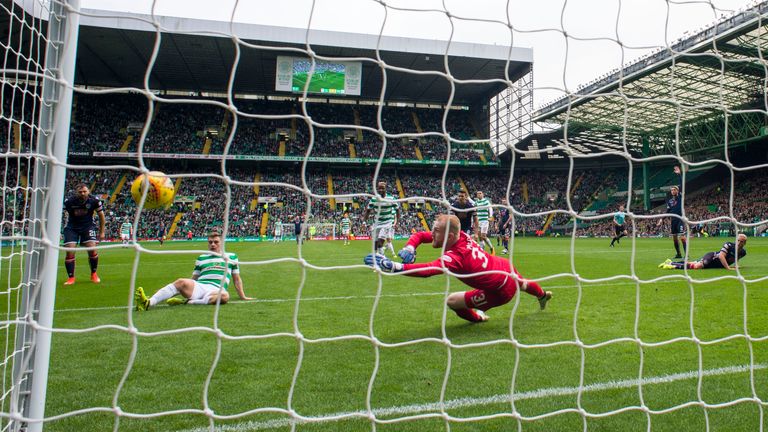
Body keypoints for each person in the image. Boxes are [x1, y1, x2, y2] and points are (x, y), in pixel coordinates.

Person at [364, 214, 552, 323]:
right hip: (502, 266)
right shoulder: (458, 235)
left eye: (436, 231)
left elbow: (429, 270)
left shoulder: (456, 256)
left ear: (451, 236)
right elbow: (421, 235)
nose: (433, 234)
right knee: (523, 284)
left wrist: (395, 266)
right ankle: (543, 295)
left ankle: (479, 317)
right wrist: (410, 247)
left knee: (452, 302)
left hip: (501, 289)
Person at [134, 230, 252, 310]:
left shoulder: (231, 257)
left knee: (225, 296)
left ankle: (192, 302)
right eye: (210, 242)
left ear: (222, 242)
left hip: (216, 290)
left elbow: (237, 279)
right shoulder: (201, 258)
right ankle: (148, 302)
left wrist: (243, 296)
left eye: (216, 242)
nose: (213, 244)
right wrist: (173, 290)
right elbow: (193, 279)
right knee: (181, 282)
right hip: (200, 287)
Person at [62, 183, 106, 285]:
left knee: (92, 248)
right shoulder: (69, 202)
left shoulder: (94, 201)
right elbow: (63, 214)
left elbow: (101, 216)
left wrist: (102, 232)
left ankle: (94, 274)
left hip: (88, 226)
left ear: (88, 191)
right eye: (80, 192)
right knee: (70, 250)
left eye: (84, 191)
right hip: (72, 227)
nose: (82, 193)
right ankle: (71, 278)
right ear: (76, 193)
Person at [659, 234, 747, 270]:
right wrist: (728, 268)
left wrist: (736, 265)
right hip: (712, 257)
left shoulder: (743, 252)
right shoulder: (729, 245)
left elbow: (736, 257)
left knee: (693, 263)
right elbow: (721, 256)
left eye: (741, 241)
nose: (739, 243)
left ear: (745, 243)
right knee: (698, 266)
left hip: (715, 265)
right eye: (738, 240)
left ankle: (671, 262)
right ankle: (672, 266)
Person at [362, 181, 400, 256]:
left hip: (387, 224)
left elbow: (397, 210)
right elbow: (368, 211)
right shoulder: (374, 199)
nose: (381, 190)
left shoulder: (391, 198)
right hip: (376, 223)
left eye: (382, 188)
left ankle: (382, 260)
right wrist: (364, 222)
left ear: (386, 188)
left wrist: (397, 223)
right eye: (379, 188)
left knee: (380, 243)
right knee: (375, 244)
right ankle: (377, 259)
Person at [657, 166, 686, 258]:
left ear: (677, 191)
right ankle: (678, 254)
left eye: (674, 190)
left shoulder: (680, 197)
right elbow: (668, 211)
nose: (673, 191)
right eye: (672, 190)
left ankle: (686, 255)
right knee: (674, 238)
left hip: (680, 219)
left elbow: (682, 184)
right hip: (673, 221)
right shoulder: (670, 201)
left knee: (682, 237)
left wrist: (679, 174)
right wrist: (662, 219)